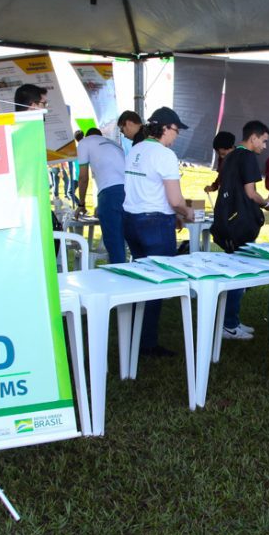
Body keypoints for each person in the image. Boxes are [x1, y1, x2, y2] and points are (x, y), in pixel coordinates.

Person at [122, 107, 195, 357]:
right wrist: (186, 212)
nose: (176, 136)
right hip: (154, 223)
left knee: (141, 279)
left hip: (132, 220)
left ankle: (133, 335)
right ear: (164, 128)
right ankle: (147, 343)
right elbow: (175, 199)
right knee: (158, 282)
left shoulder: (136, 149)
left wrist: (174, 212)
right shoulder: (165, 155)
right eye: (176, 130)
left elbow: (147, 189)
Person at [217, 120, 269, 341]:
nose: (264, 146)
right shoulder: (248, 157)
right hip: (240, 223)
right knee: (238, 274)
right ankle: (229, 325)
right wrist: (267, 204)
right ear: (253, 137)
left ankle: (230, 319)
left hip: (228, 220)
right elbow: (252, 193)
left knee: (235, 271)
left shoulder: (231, 155)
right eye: (263, 141)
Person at [76, 126, 129, 264]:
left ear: (87, 136)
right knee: (132, 243)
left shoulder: (84, 142)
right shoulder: (114, 144)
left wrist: (81, 204)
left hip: (110, 194)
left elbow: (83, 177)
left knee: (115, 245)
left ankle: (118, 282)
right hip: (130, 192)